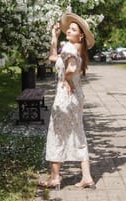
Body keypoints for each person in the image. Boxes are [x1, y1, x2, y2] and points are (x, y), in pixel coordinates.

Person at [40, 12, 96, 190]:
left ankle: (55, 177)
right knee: (78, 133)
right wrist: (54, 38)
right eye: (69, 28)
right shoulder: (77, 48)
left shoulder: (71, 48)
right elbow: (53, 58)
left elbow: (70, 67)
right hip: (76, 97)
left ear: (80, 35)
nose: (69, 31)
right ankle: (87, 177)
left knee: (57, 134)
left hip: (65, 97)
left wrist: (67, 79)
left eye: (73, 29)